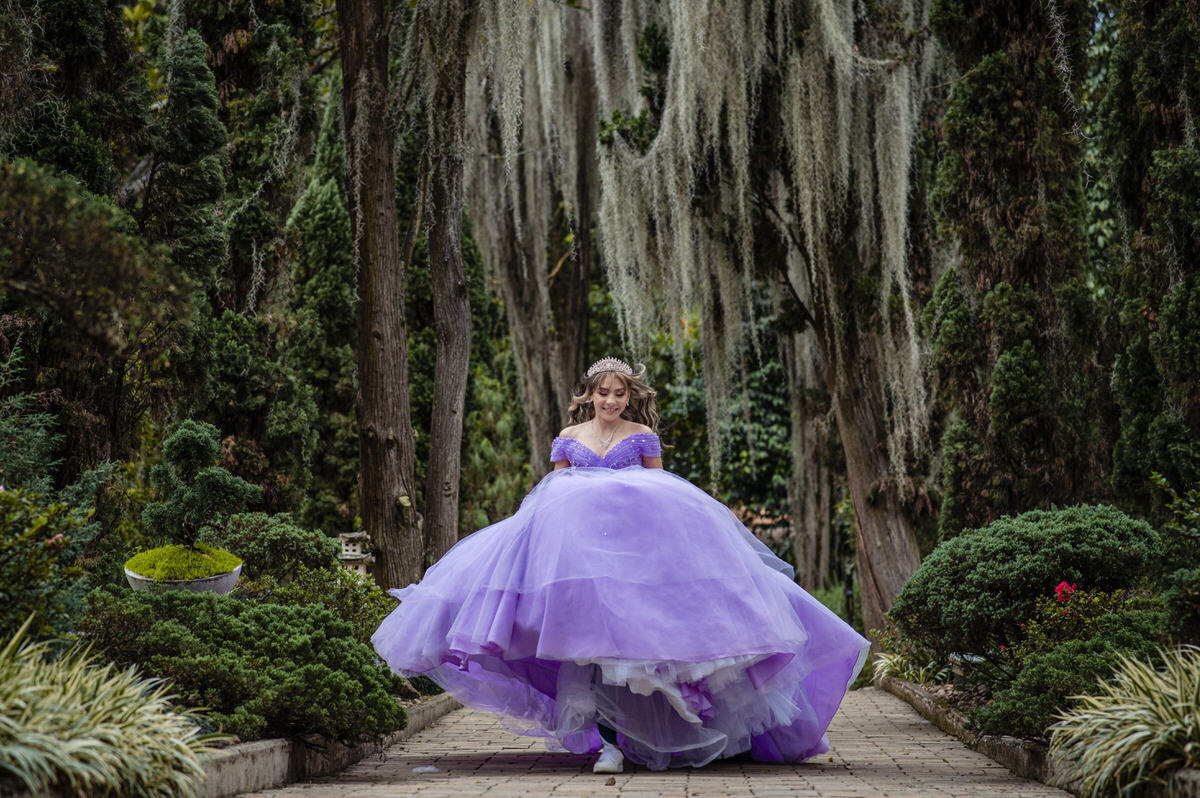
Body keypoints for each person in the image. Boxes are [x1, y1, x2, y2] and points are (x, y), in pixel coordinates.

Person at [372, 357, 869, 773]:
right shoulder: (568, 437)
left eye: (619, 395)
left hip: (639, 558)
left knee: (645, 649)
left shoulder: (642, 436)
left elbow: (664, 497)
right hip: (581, 565)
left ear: (629, 398)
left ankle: (673, 732)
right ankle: (611, 743)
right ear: (589, 395)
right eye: (603, 393)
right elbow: (554, 504)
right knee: (590, 653)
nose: (611, 401)